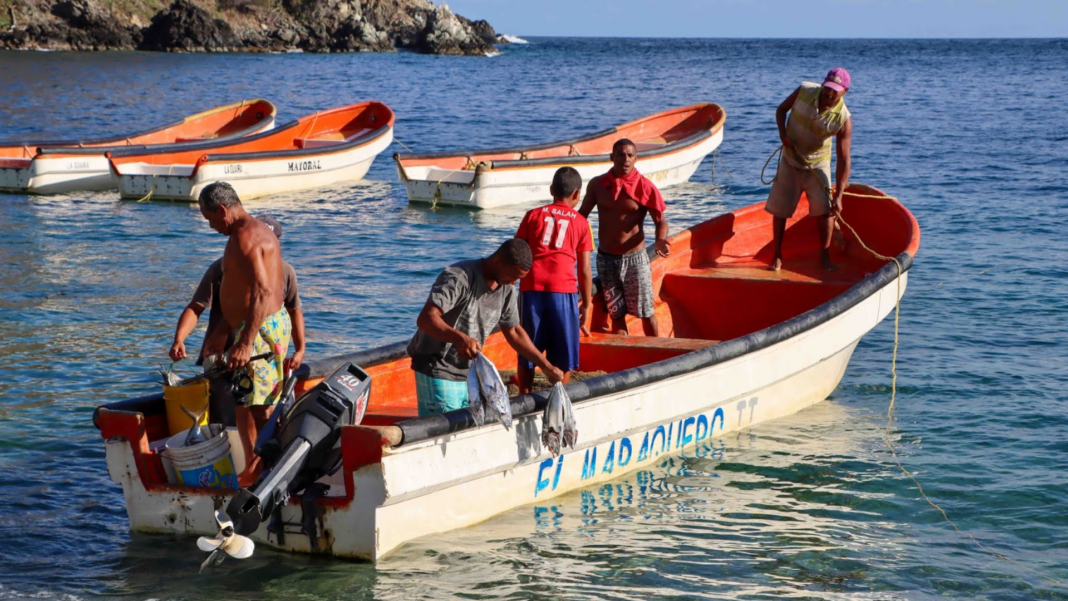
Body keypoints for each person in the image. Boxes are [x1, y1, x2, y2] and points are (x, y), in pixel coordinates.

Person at [168, 215, 306, 426]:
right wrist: (179, 339)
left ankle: (260, 451)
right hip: (221, 361)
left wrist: (300, 349)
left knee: (261, 413)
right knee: (230, 419)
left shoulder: (285, 272)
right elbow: (196, 307)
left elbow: (294, 310)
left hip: (262, 356)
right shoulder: (221, 268)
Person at [408, 239, 565, 417]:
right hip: (437, 368)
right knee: (445, 434)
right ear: (498, 261)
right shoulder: (459, 277)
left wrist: (545, 366)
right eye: (513, 276)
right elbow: (426, 318)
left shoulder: (506, 288)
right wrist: (460, 338)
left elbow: (513, 331)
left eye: (519, 279)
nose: (514, 283)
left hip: (470, 374)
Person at [196, 182, 291, 408]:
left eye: (210, 219)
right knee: (246, 404)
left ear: (222, 209)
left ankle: (263, 444)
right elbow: (243, 292)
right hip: (254, 325)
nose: (211, 226)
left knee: (257, 407)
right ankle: (254, 445)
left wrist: (246, 343)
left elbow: (262, 291)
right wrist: (222, 330)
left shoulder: (245, 238)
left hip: (259, 331)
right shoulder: (249, 231)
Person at [513, 167, 593, 394]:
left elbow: (516, 252)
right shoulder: (581, 223)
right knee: (563, 353)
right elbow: (585, 270)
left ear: (551, 190)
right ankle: (559, 396)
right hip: (563, 291)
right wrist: (586, 304)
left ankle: (524, 394)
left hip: (531, 289)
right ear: (577, 194)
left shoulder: (532, 215)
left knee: (529, 349)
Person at [765, 67, 853, 272]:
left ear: (844, 92)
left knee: (826, 211)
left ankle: (824, 256)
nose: (829, 94)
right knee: (781, 210)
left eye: (835, 91)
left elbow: (844, 159)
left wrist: (839, 195)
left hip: (818, 163)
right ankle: (777, 254)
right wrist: (782, 135)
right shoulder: (804, 90)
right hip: (790, 159)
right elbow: (781, 110)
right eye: (827, 89)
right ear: (823, 85)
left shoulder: (844, 119)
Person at [579, 138, 670, 337]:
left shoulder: (645, 187)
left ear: (636, 158)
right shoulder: (598, 185)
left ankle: (657, 352)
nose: (625, 159)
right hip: (606, 260)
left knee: (646, 313)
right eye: (621, 155)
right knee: (616, 314)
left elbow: (660, 220)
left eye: (630, 155)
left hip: (635, 260)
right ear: (612, 157)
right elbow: (581, 216)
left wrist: (660, 239)